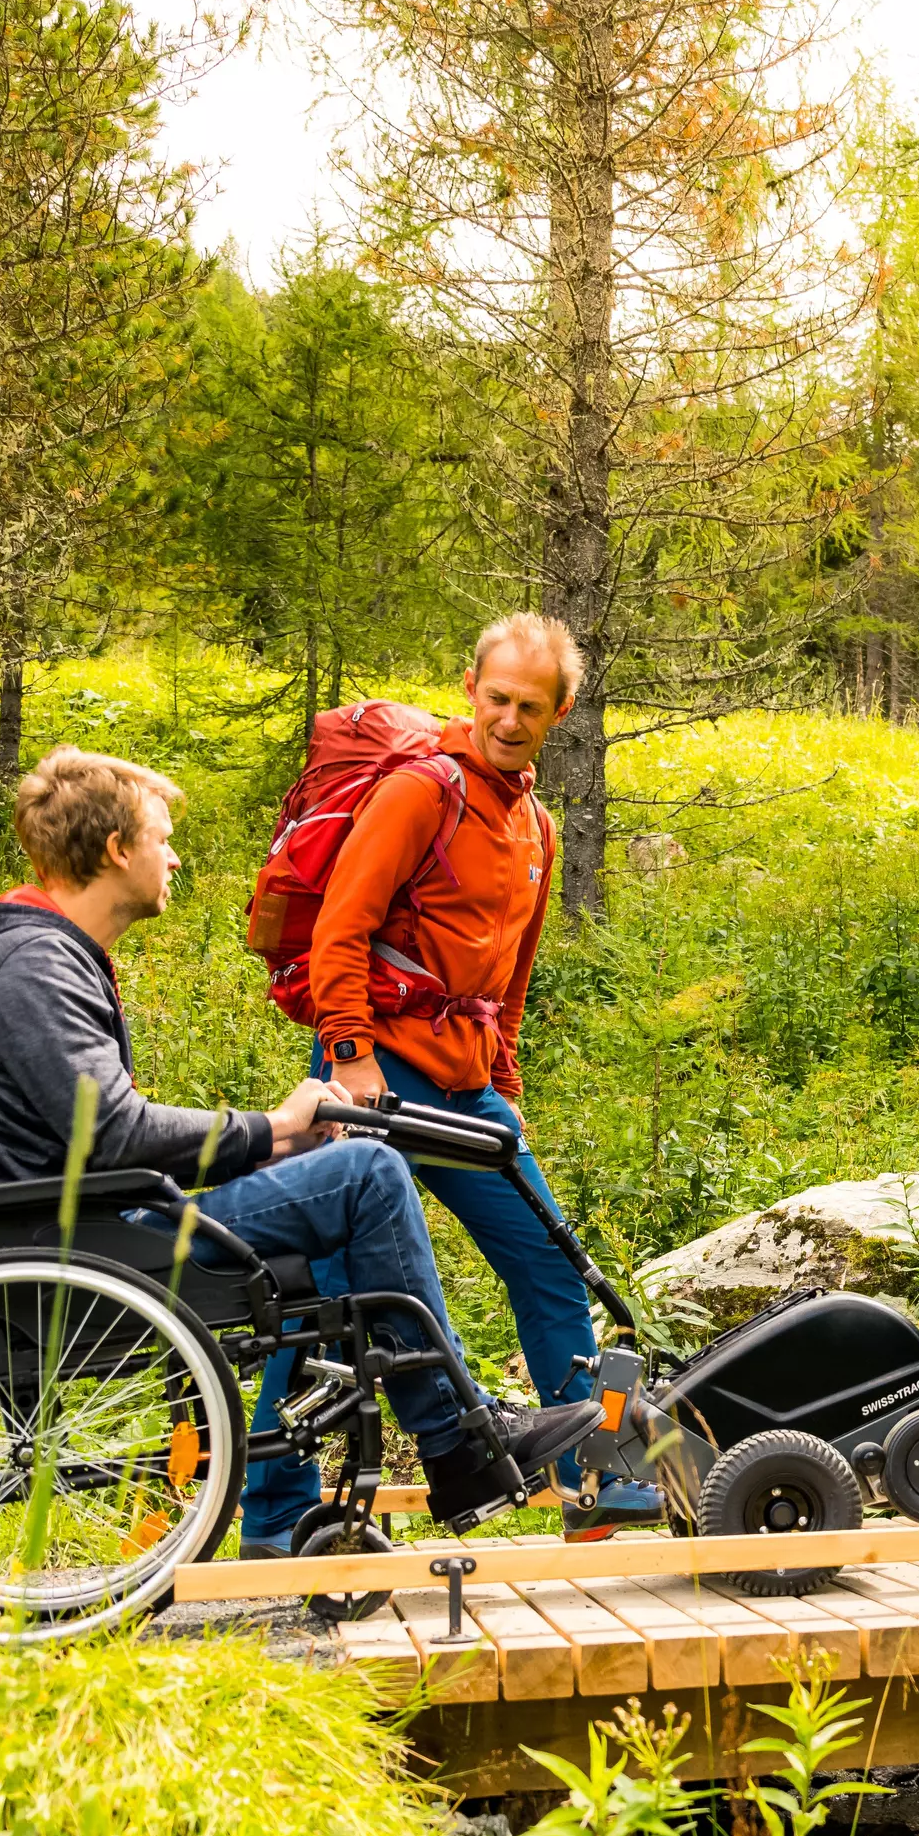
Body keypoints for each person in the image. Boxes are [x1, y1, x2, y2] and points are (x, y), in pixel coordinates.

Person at [0, 747, 582, 1550]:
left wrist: (278, 1146)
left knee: (341, 1172)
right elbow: (113, 1134)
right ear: (117, 850)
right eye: (163, 839)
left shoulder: (40, 956)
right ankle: (458, 1442)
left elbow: (99, 1138)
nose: (175, 858)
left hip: (93, 1226)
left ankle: (350, 1482)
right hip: (86, 1249)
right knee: (368, 1172)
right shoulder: (35, 966)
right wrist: (272, 1127)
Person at [293, 611, 664, 1531]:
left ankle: (594, 1482)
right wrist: (351, 1055)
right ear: (471, 689)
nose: (509, 719)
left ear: (560, 713)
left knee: (548, 1263)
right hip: (376, 1071)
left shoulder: (536, 824)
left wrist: (507, 1086)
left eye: (530, 707)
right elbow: (340, 928)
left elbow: (511, 981)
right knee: (329, 1295)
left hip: (467, 1088)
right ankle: (272, 1507)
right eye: (497, 698)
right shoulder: (421, 793)